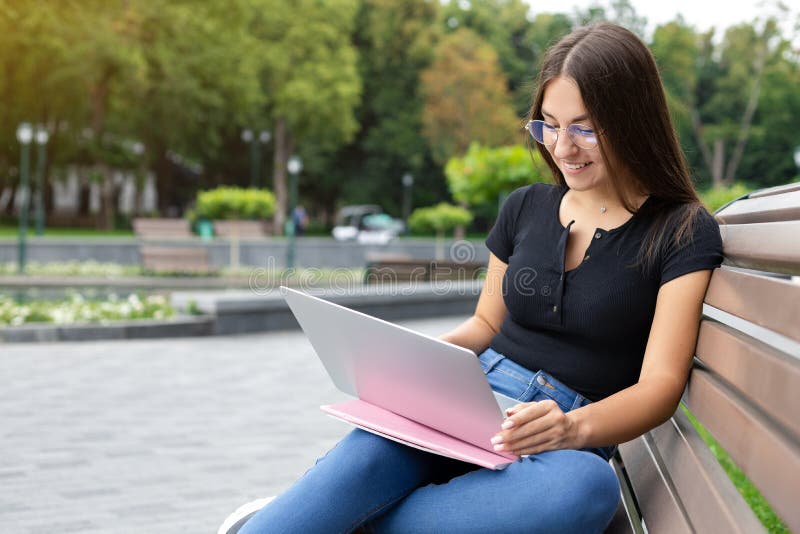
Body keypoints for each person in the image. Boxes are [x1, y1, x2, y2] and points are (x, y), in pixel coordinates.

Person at [225, 22, 723, 534]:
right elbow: (486, 323)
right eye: (548, 125)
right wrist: (414, 364)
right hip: (470, 396)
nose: (562, 147)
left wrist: (570, 427)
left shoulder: (682, 232)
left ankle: (329, 523)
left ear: (632, 121)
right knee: (371, 455)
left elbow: (660, 385)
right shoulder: (525, 207)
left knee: (585, 488)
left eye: (584, 127)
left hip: (561, 435)